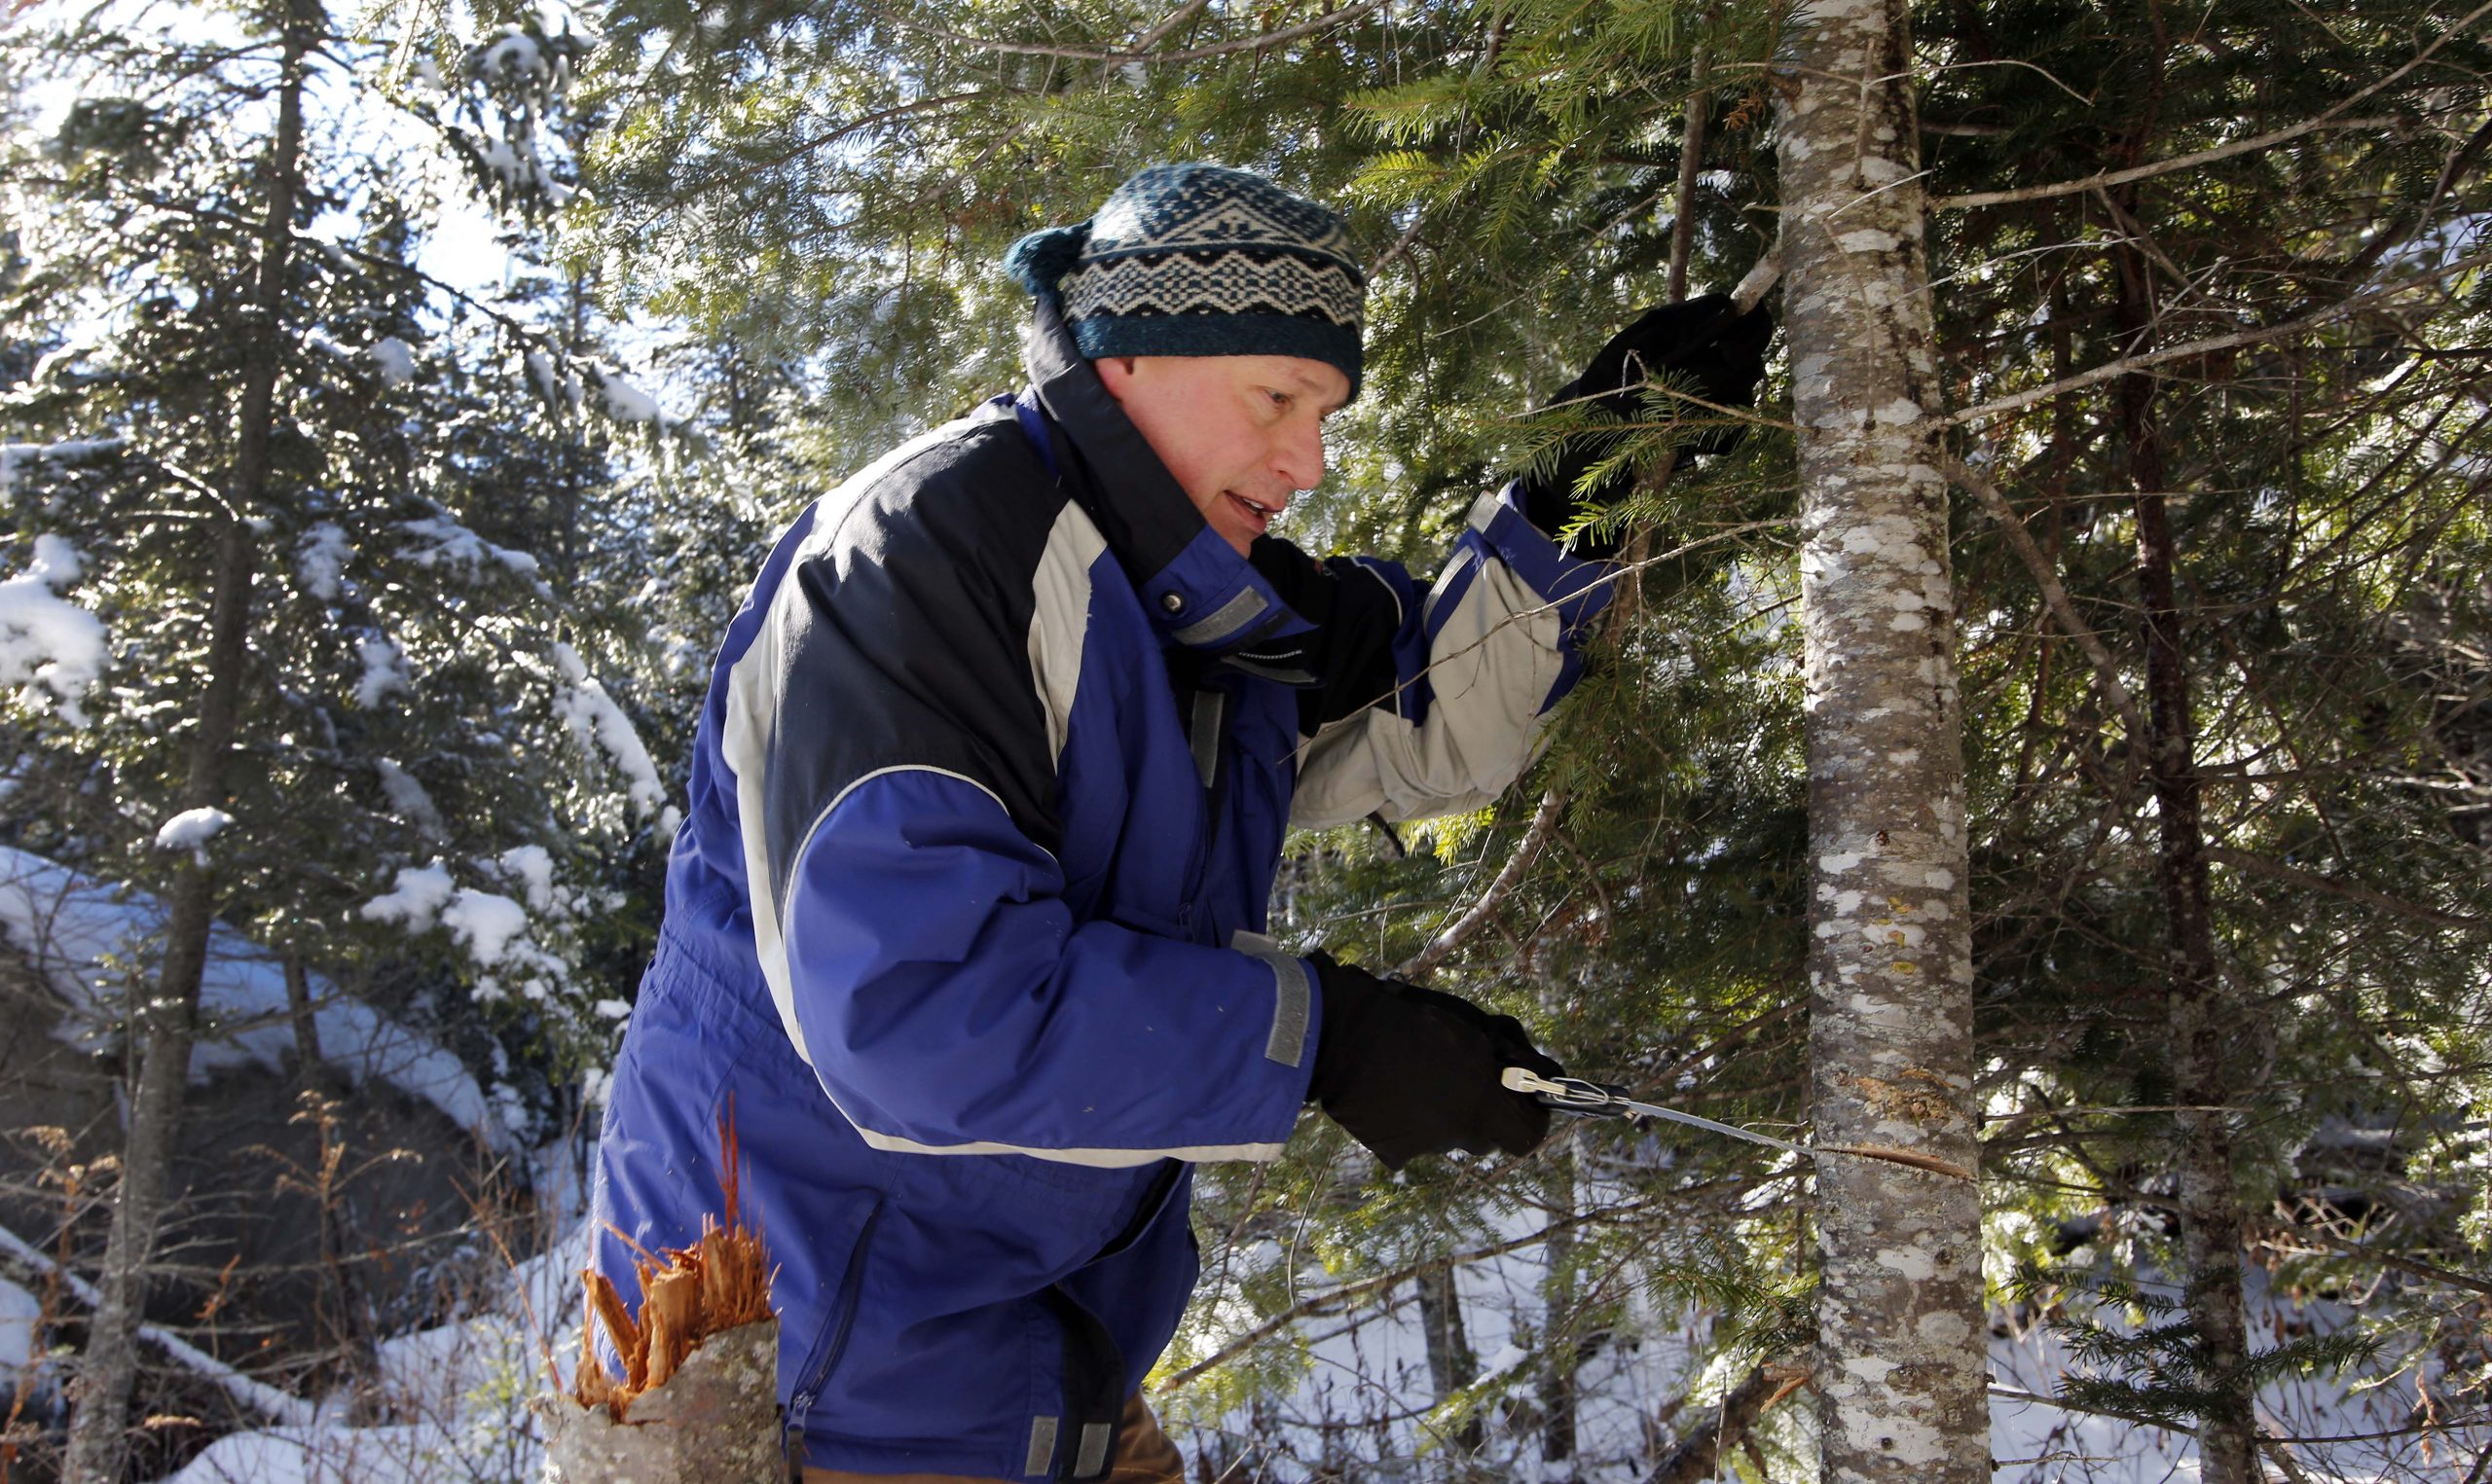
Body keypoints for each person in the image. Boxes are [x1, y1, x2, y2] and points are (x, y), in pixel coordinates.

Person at [590, 163, 1773, 1482]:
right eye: (1276, 397)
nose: (1309, 461)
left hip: (1024, 1358)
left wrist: (1583, 490)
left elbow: (1425, 711)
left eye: (1325, 410)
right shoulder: (915, 565)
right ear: (1133, 354)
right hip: (785, 1370)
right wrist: (1327, 1040)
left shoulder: (1207, 602)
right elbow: (919, 1016)